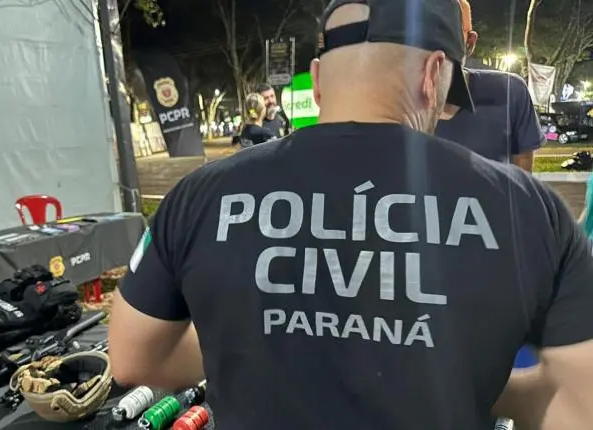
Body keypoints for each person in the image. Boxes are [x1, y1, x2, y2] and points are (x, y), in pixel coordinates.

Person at [108, 1, 593, 429]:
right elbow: (581, 406)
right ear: (432, 75)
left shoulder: (199, 195)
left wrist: (257, 347)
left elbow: (131, 357)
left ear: (318, 81)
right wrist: (471, 382)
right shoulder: (529, 210)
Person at [435, 0, 544, 172]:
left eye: (447, 32)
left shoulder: (509, 92)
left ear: (470, 42)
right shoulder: (392, 101)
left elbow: (522, 173)